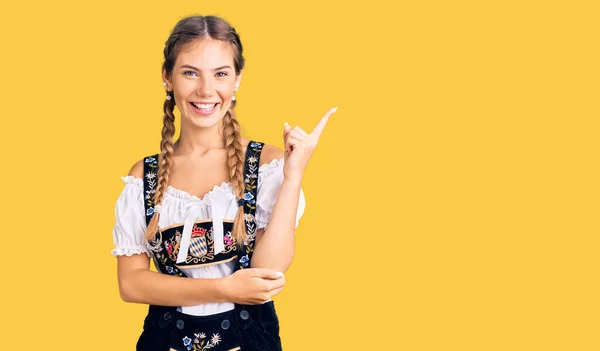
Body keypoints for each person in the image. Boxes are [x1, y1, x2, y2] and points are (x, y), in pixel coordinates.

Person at [111, 15, 336, 351]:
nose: (206, 90)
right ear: (167, 77)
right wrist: (224, 289)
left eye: (220, 73)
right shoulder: (145, 175)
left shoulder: (265, 164)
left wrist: (293, 176)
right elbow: (131, 285)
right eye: (190, 72)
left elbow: (268, 272)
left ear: (237, 79)